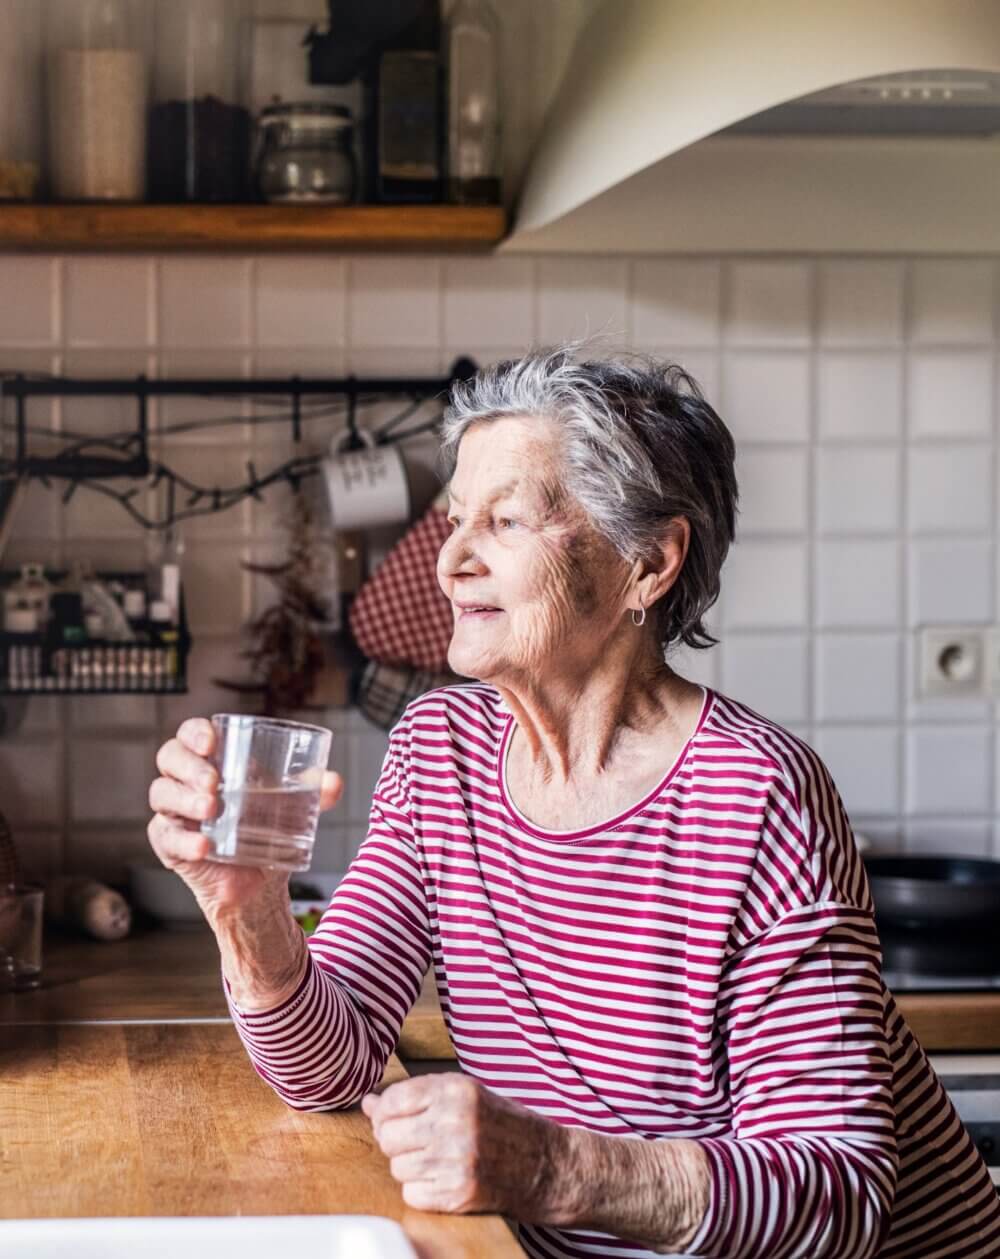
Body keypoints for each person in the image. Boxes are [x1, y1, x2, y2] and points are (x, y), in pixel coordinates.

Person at [148, 348, 1000, 1258]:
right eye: (456, 519)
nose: (450, 562)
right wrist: (249, 915)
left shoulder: (758, 794)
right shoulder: (441, 751)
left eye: (506, 521)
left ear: (647, 562)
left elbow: (837, 1197)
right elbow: (334, 1063)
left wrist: (551, 1170)